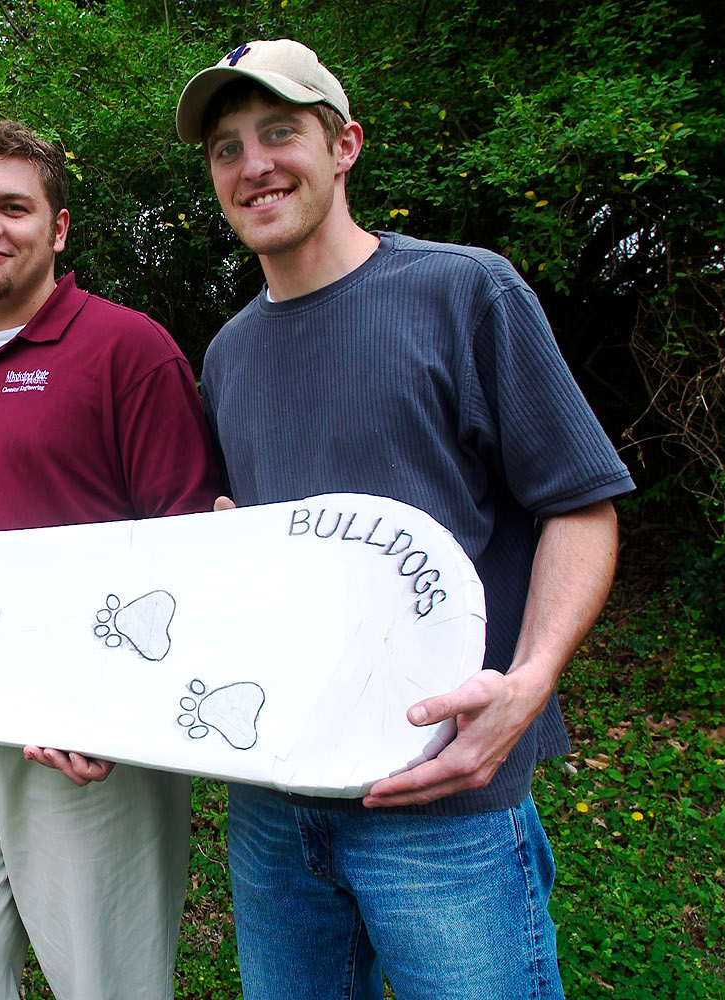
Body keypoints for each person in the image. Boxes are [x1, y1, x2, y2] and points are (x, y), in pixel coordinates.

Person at [175, 39, 635, 1000]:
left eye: (278, 133)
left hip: (446, 797)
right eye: (226, 148)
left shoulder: (466, 291)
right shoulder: (227, 354)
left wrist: (530, 679)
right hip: (274, 799)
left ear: (342, 146)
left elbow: (579, 507)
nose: (252, 165)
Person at [0, 119, 222, 1000]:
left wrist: (118, 709)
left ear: (57, 228)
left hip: (85, 736)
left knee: (105, 983)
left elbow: (187, 551)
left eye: (12, 206)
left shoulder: (127, 349)